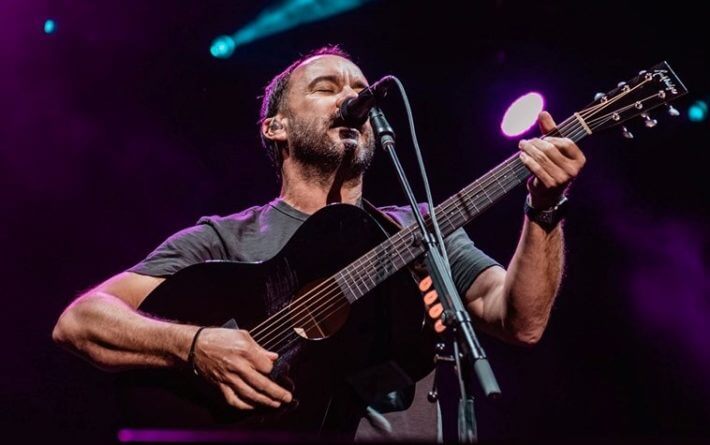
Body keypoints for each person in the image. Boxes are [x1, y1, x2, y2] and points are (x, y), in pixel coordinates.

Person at [52, 45, 586, 442]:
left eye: (360, 88)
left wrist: (544, 209)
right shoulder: (225, 236)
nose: (354, 95)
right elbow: (81, 320)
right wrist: (196, 346)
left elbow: (521, 320)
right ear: (275, 128)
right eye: (327, 87)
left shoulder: (419, 225)